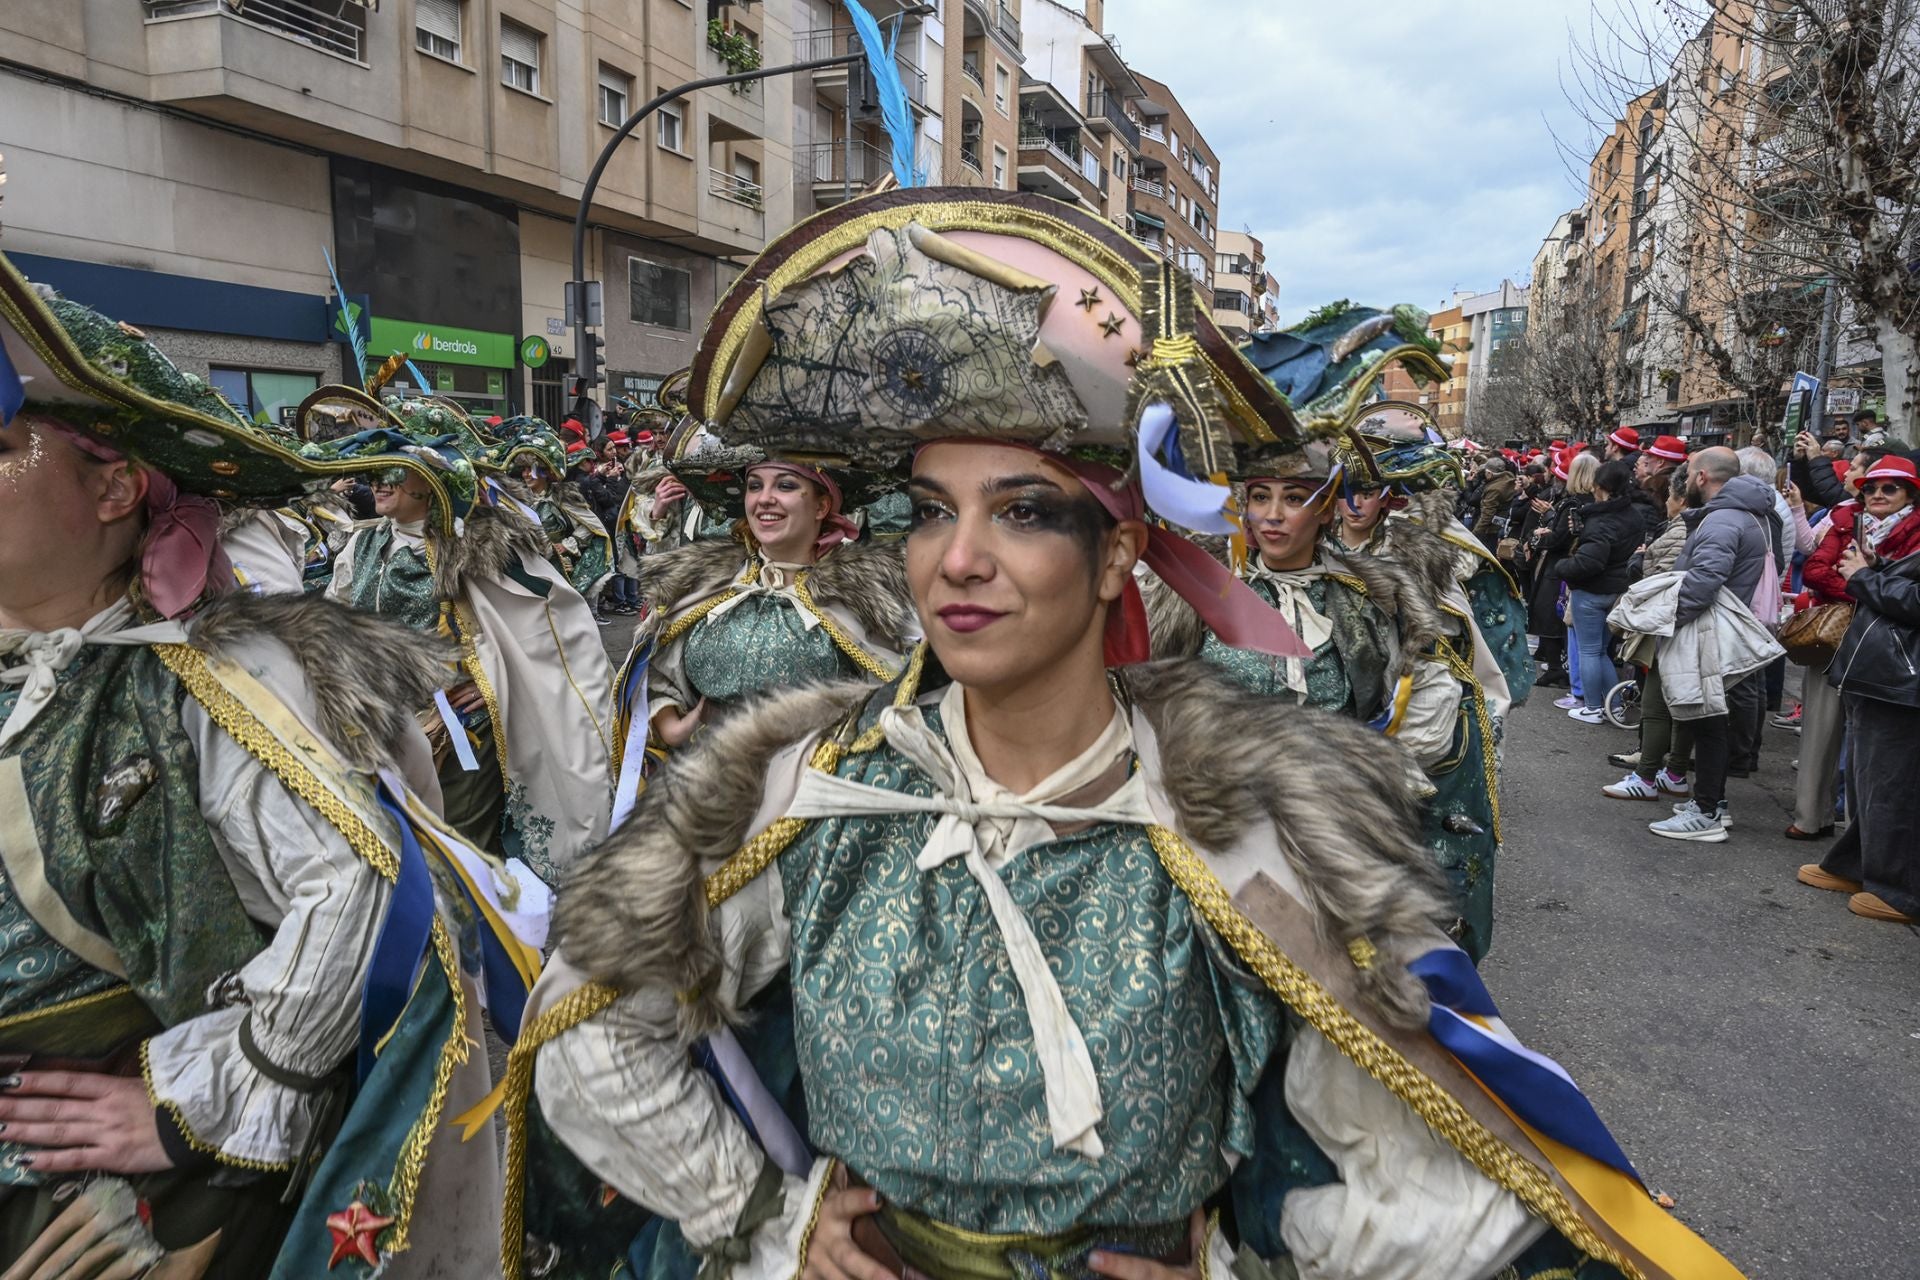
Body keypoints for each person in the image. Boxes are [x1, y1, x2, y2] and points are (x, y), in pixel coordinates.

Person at [507, 187, 1739, 1280]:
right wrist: (762, 1214)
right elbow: (585, 1031)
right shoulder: (806, 791)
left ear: (1120, 558)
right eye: (932, 510)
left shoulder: (1238, 828)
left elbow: (1432, 1203)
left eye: (1023, 509)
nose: (959, 558)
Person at [0, 256, 531, 1274]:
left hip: (114, 1197)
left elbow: (359, 889)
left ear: (115, 486)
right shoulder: (361, 552)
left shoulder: (211, 680)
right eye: (377, 478)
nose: (383, 491)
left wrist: (190, 1102)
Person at [316, 394, 616, 882]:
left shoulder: (477, 546)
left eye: (392, 468)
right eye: (374, 467)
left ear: (432, 477)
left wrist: (492, 680)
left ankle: (484, 952)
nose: (376, 480)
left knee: (459, 861)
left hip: (456, 737)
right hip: (375, 727)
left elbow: (547, 631)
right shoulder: (365, 542)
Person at [620, 438, 917, 785]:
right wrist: (672, 726)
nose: (764, 499)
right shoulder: (706, 582)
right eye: (754, 486)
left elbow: (898, 700)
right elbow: (657, 671)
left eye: (786, 486)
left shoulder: (867, 594)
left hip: (807, 803)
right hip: (703, 797)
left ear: (822, 505)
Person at [1798, 455, 1920, 922]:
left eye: (1891, 488)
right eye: (1872, 487)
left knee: (1892, 783)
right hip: (1878, 672)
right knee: (1871, 776)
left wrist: (1864, 577)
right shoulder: (1873, 531)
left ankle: (1898, 889)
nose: (1877, 496)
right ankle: (1854, 864)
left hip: (1902, 676)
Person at [1647, 447, 1778, 842]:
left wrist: (1669, 619)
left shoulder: (1723, 518)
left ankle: (1706, 812)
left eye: (1689, 473)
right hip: (1727, 625)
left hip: (1711, 629)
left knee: (1708, 721)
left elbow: (1705, 578)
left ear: (1702, 477)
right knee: (1713, 720)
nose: (1684, 480)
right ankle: (1711, 803)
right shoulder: (1756, 514)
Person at [1602, 479, 1695, 800]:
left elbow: (1663, 579)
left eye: (1670, 495)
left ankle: (1649, 774)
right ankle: (1672, 772)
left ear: (1682, 499)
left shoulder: (1686, 529)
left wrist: (1639, 561)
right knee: (1672, 705)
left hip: (1668, 623)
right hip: (1675, 623)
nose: (1666, 501)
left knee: (1658, 703)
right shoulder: (1686, 527)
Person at [1548, 459, 1644, 723]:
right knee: (1600, 651)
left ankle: (1592, 706)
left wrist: (1561, 567)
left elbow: (1589, 562)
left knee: (1590, 651)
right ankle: (1613, 706)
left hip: (1592, 592)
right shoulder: (1633, 515)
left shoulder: (1602, 521)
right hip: (1616, 590)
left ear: (1601, 486)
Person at [494, 420, 618, 615]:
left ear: (544, 471)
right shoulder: (518, 501)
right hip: (531, 569)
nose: (526, 475)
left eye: (530, 469)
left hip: (560, 569)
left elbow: (590, 526)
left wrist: (567, 545)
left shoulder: (563, 496)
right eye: (523, 470)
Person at [1531, 451, 1597, 700]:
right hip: (1570, 564)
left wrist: (1543, 532)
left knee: (1550, 614)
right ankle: (1561, 670)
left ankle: (1559, 671)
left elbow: (1560, 537)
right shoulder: (1588, 501)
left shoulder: (1573, 503)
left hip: (1561, 565)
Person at [1470, 455, 1514, 549]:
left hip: (1489, 530)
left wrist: (1473, 534)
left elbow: (1487, 515)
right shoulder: (1508, 479)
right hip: (1499, 525)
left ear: (1489, 473)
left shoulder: (1494, 489)